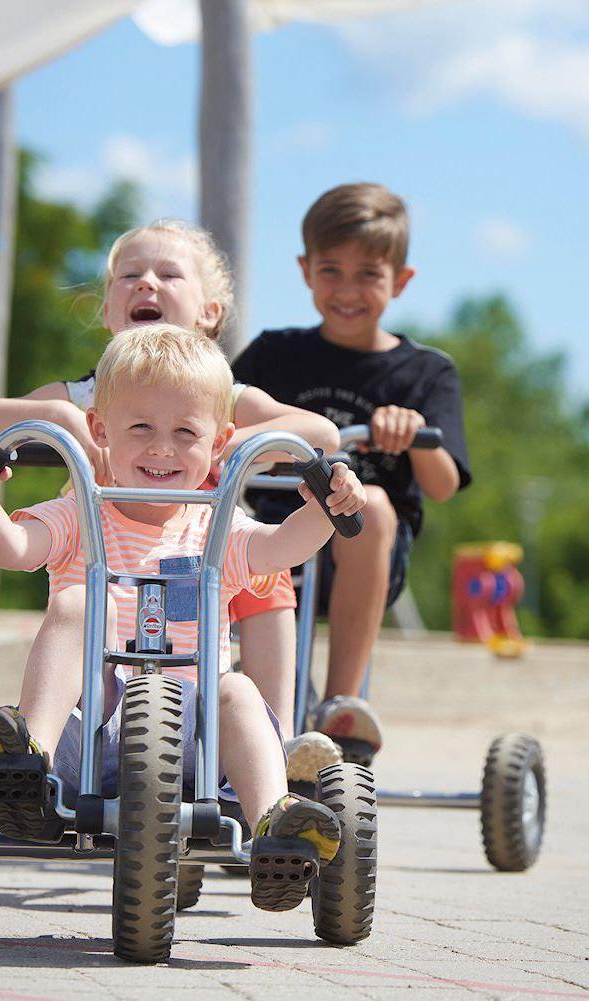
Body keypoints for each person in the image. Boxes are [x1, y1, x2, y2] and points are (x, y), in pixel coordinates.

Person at [0, 324, 367, 911]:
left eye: (185, 432)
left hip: (200, 746)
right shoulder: (80, 514)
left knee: (239, 689)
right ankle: (29, 766)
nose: (162, 448)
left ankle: (276, 822)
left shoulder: (217, 526)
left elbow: (281, 548)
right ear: (100, 430)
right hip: (91, 732)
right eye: (140, 427)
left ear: (219, 443)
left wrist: (329, 507)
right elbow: (9, 549)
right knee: (76, 604)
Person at [0, 219, 344, 782]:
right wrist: (56, 421)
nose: (147, 284)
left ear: (208, 312)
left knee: (265, 585)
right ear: (108, 309)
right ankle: (30, 761)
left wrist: (239, 450)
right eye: (129, 275)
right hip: (103, 530)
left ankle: (273, 747)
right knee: (82, 603)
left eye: (168, 274)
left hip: (206, 534)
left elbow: (320, 434)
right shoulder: (87, 394)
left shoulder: (221, 393)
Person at [233, 183, 472, 765]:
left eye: (368, 273)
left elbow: (443, 485)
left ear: (401, 281)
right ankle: (262, 737)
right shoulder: (274, 354)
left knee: (374, 504)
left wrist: (414, 435)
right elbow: (215, 424)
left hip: (365, 561)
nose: (346, 290)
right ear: (305, 270)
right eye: (331, 270)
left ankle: (341, 704)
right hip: (274, 546)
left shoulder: (424, 372)